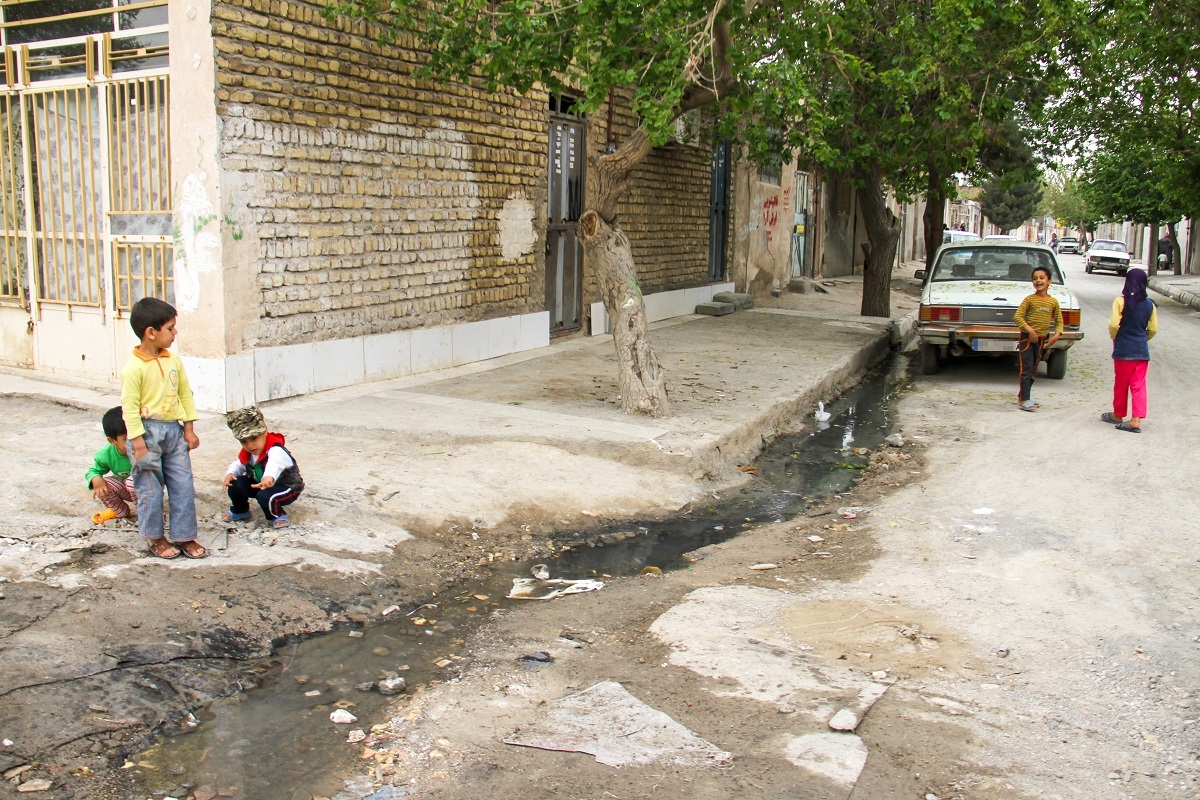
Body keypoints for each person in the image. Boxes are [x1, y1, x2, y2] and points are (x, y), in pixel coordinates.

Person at [121, 297, 205, 559]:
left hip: (173, 431)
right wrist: (138, 443)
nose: (174, 332)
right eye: (170, 328)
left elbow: (185, 394)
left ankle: (185, 536)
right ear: (151, 332)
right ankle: (155, 537)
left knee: (183, 484)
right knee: (150, 489)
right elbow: (129, 408)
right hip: (145, 435)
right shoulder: (133, 368)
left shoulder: (174, 361)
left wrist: (189, 428)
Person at [221, 406, 304, 528]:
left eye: (254, 438)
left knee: (265, 496)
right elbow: (239, 464)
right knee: (235, 483)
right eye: (244, 442)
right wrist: (230, 473)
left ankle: (277, 515)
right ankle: (240, 510)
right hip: (260, 484)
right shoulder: (249, 453)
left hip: (286, 487)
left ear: (264, 432)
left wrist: (268, 478)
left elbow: (274, 464)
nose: (250, 445)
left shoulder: (276, 450)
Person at [1101, 268, 1157, 433]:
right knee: (1139, 385)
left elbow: (1113, 324)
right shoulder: (1150, 305)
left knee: (1121, 383)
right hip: (1141, 351)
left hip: (1123, 349)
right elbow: (1153, 329)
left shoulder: (1120, 301)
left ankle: (1118, 414)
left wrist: (1115, 337)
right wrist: (1142, 339)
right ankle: (1136, 419)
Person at [1012, 265, 1063, 412]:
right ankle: (1025, 399)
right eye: (1035, 278)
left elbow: (1059, 321)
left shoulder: (1053, 302)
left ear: (1049, 281)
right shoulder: (1029, 300)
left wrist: (1056, 335)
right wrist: (1030, 331)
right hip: (1027, 339)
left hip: (1041, 340)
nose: (1038, 281)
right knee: (1026, 368)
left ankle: (1023, 397)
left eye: (1041, 278)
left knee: (1034, 368)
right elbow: (1017, 317)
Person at [86, 406, 135, 522]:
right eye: (126, 439)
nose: (133, 442)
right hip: (127, 488)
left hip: (148, 489)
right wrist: (96, 479)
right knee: (103, 486)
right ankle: (121, 512)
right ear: (112, 441)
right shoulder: (106, 455)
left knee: (133, 481)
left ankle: (147, 513)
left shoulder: (144, 448)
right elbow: (92, 471)